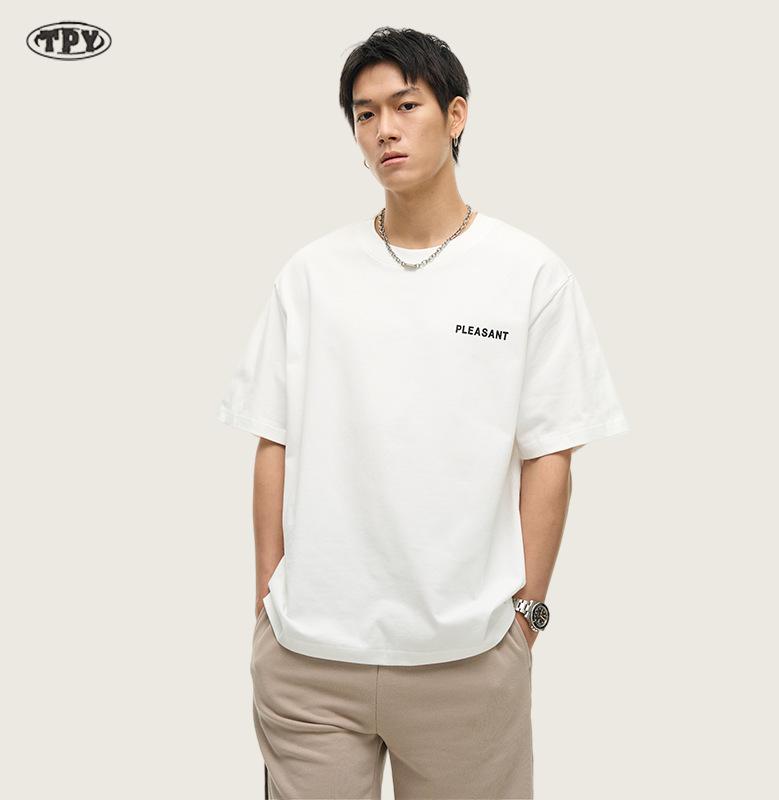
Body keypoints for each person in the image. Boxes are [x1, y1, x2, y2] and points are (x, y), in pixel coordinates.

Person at [217, 25, 629, 800]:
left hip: (467, 661)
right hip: (309, 661)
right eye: (365, 114)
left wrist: (526, 619)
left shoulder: (529, 274)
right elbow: (274, 440)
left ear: (456, 115)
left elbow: (551, 454)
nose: (385, 129)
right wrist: (266, 604)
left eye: (406, 105)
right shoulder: (311, 275)